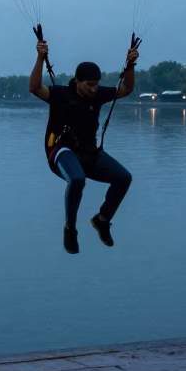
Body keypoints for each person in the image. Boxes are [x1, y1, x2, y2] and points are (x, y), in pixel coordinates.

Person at [29, 40, 139, 254]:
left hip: (90, 154)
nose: (93, 89)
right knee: (77, 179)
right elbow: (34, 88)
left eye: (96, 84)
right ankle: (70, 229)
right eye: (89, 84)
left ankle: (102, 219)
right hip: (61, 152)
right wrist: (40, 58)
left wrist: (131, 65)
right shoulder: (60, 94)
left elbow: (126, 89)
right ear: (77, 81)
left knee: (124, 178)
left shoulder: (98, 94)